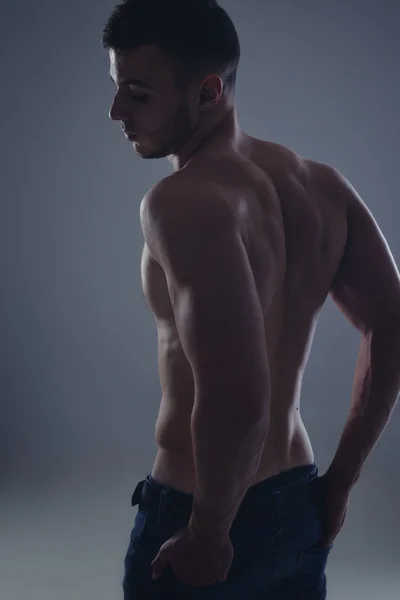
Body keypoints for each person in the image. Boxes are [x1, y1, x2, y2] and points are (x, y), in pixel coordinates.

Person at [102, 1, 400, 598]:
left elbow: (239, 393)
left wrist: (209, 530)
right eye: (116, 89)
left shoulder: (179, 201)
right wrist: (338, 484)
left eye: (137, 93)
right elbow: (392, 326)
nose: (115, 112)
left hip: (202, 517)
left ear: (209, 91)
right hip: (297, 501)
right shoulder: (322, 187)